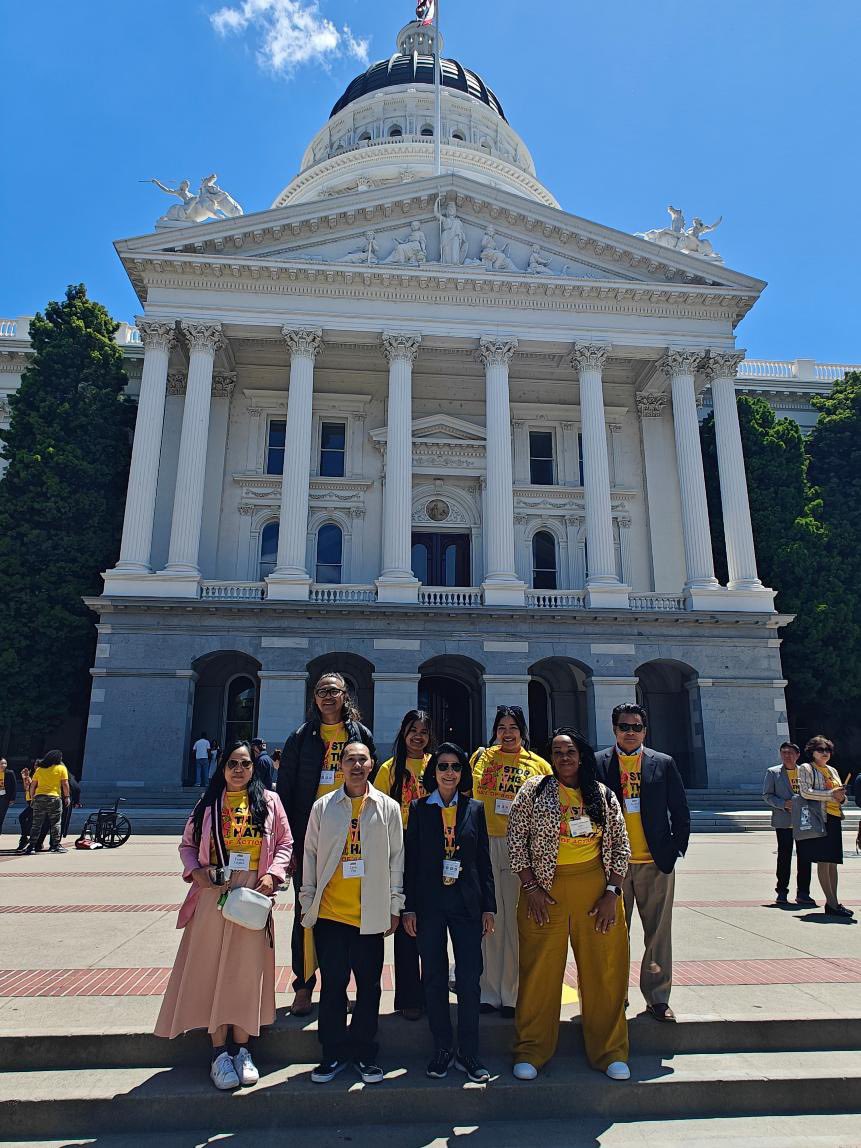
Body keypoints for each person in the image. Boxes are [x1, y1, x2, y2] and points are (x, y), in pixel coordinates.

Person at [155, 740, 293, 1090]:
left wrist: (273, 874)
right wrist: (195, 872)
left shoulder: (270, 802)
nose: (238, 770)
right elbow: (187, 846)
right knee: (212, 969)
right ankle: (219, 1053)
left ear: (254, 767)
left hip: (251, 895)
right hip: (213, 894)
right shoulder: (207, 805)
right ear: (222, 767)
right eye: (232, 763)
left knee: (247, 972)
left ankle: (243, 1049)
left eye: (245, 763)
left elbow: (284, 844)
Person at [508, 727, 631, 1081]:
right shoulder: (535, 791)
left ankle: (610, 1050)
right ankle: (531, 1048)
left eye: (570, 751)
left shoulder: (601, 794)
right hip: (545, 892)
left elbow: (620, 846)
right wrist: (530, 888)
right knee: (538, 973)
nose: (564, 758)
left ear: (582, 756)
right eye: (558, 752)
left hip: (596, 891)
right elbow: (516, 841)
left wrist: (612, 892)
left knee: (604, 971)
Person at [300, 741, 403, 1085]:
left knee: (370, 987)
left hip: (370, 913)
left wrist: (395, 904)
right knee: (333, 986)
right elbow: (310, 854)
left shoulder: (387, 807)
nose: (356, 765)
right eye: (350, 760)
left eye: (362, 759)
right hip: (331, 913)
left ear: (372, 764)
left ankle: (363, 1052)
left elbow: (396, 860)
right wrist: (307, 898)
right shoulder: (323, 807)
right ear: (340, 765)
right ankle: (332, 1053)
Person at [277, 671, 377, 1017]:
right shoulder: (301, 738)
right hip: (311, 836)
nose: (328, 697)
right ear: (314, 698)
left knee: (345, 914)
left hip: (352, 835)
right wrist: (288, 845)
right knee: (307, 913)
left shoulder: (359, 735)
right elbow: (285, 791)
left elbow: (372, 787)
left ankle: (339, 985)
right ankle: (304, 985)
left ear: (345, 696)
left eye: (334, 691)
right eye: (322, 691)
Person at [402, 743, 495, 1082]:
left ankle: (469, 1053)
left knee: (470, 979)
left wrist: (489, 907)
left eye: (456, 767)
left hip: (466, 903)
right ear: (434, 772)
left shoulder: (475, 809)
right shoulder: (419, 808)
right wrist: (408, 906)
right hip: (429, 904)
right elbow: (410, 863)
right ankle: (442, 1048)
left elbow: (483, 862)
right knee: (435, 978)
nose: (449, 773)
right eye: (443, 766)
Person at [595, 703, 690, 1023]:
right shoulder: (599, 763)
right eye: (624, 727)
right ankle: (614, 995)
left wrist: (675, 848)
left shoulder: (662, 763)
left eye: (636, 727)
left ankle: (658, 997)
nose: (630, 732)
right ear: (614, 729)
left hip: (654, 861)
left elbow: (680, 809)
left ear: (645, 731)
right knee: (612, 935)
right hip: (614, 868)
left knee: (658, 935)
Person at [471, 706, 551, 1015]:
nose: (507, 732)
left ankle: (513, 992)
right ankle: (488, 991)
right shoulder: (481, 759)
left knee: (517, 920)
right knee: (489, 917)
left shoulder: (538, 765)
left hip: (521, 846)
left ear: (522, 731)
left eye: (513, 726)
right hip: (483, 842)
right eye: (502, 726)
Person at [373, 708, 434, 1019]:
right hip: (399, 847)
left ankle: (432, 991)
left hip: (432, 849)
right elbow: (379, 814)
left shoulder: (435, 765)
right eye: (413, 730)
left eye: (423, 731)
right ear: (403, 731)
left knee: (430, 924)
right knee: (404, 924)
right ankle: (409, 996)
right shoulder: (389, 769)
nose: (418, 736)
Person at [796, 736, 853, 917]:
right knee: (823, 860)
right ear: (812, 752)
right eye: (821, 750)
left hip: (835, 817)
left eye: (827, 750)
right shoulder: (807, 768)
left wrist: (841, 797)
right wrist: (831, 795)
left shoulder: (832, 770)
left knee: (833, 862)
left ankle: (833, 901)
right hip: (820, 818)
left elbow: (841, 797)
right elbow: (805, 791)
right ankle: (832, 902)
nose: (825, 753)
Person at [763, 742, 815, 906]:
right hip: (784, 820)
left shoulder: (806, 772)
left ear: (797, 755)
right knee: (784, 857)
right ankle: (782, 891)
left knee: (805, 858)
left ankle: (803, 892)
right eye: (784, 752)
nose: (787, 756)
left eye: (790, 753)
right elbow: (767, 795)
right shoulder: (773, 772)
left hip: (804, 820)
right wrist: (783, 804)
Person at [25, 750, 70, 854]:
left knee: (36, 823)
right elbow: (65, 784)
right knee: (55, 823)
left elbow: (33, 785)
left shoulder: (40, 769)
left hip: (39, 797)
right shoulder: (61, 768)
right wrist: (67, 796)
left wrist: (32, 797)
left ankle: (31, 846)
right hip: (54, 798)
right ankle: (55, 845)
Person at [16, 766, 33, 853]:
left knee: (23, 817)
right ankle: (25, 838)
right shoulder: (31, 777)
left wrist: (27, 778)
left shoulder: (37, 776)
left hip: (34, 803)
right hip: (29, 802)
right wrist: (24, 778)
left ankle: (25, 838)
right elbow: (26, 788)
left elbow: (31, 787)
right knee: (26, 819)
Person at [0, 757, 17, 836]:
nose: (3, 765)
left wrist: (12, 798)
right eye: (1, 763)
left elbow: (14, 786)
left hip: (5, 797)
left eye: (5, 763)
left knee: (1, 816)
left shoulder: (10, 773)